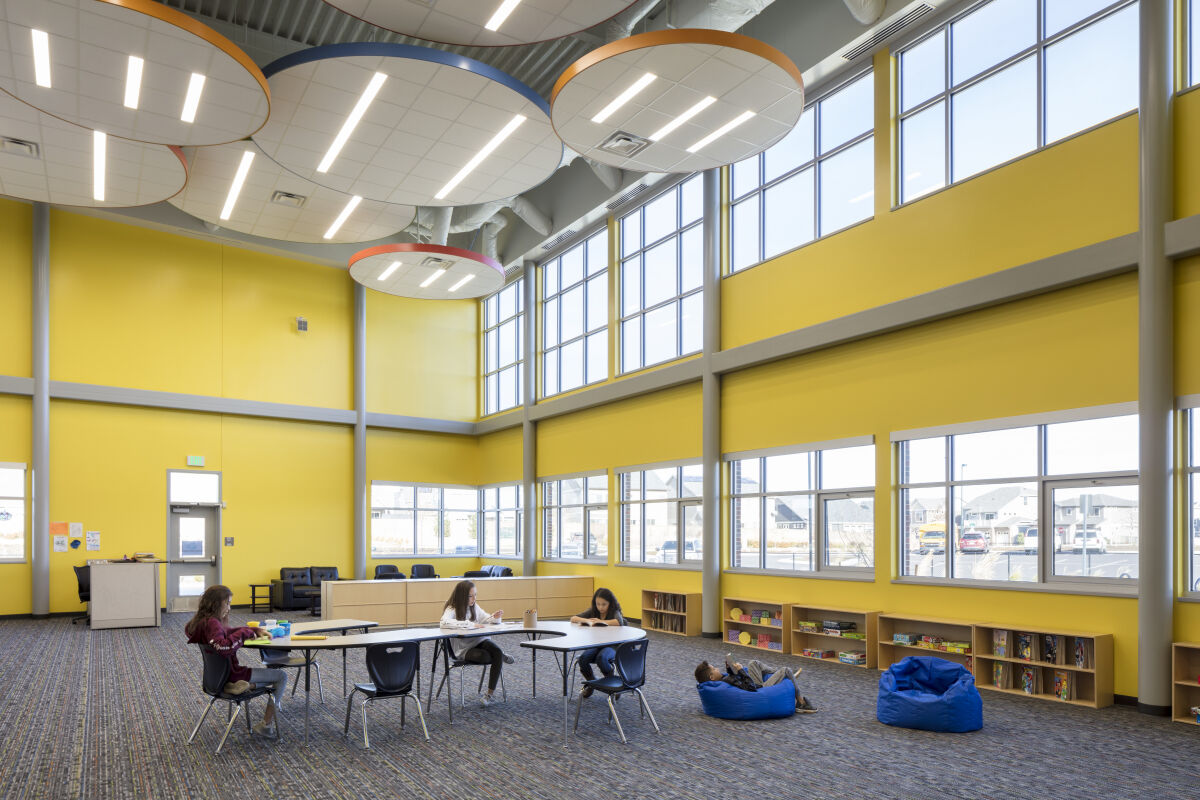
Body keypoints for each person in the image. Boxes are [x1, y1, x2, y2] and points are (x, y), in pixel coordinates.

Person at [184, 584, 287, 735]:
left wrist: (251, 630)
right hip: (233, 674)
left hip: (216, 678)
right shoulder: (213, 623)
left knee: (272, 679)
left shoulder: (203, 622)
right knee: (281, 676)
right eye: (227, 603)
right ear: (216, 603)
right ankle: (266, 725)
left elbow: (226, 633)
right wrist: (245, 633)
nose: (229, 608)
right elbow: (224, 647)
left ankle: (247, 686)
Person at [439, 580, 514, 706]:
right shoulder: (452, 608)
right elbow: (444, 622)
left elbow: (486, 619)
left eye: (475, 595)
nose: (474, 599)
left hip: (480, 640)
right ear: (462, 596)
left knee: (497, 651)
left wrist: (494, 617)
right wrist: (470, 624)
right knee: (487, 657)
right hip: (464, 649)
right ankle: (501, 657)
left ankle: (489, 694)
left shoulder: (474, 606)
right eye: (471, 596)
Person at [694, 654, 816, 712]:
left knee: (753, 663)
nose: (717, 669)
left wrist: (730, 669)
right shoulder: (726, 681)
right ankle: (801, 702)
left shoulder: (722, 680)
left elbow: (733, 679)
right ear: (712, 677)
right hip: (759, 689)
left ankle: (779, 674)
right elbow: (750, 687)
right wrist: (741, 670)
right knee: (786, 670)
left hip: (755, 684)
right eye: (714, 669)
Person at [569, 588, 625, 698]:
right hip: (597, 644)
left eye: (604, 604)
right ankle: (591, 683)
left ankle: (612, 684)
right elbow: (573, 618)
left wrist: (601, 621)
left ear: (610, 603)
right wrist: (587, 620)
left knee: (602, 658)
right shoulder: (593, 611)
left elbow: (619, 622)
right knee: (583, 659)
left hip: (612, 645)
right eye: (598, 604)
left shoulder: (614, 611)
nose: (600, 607)